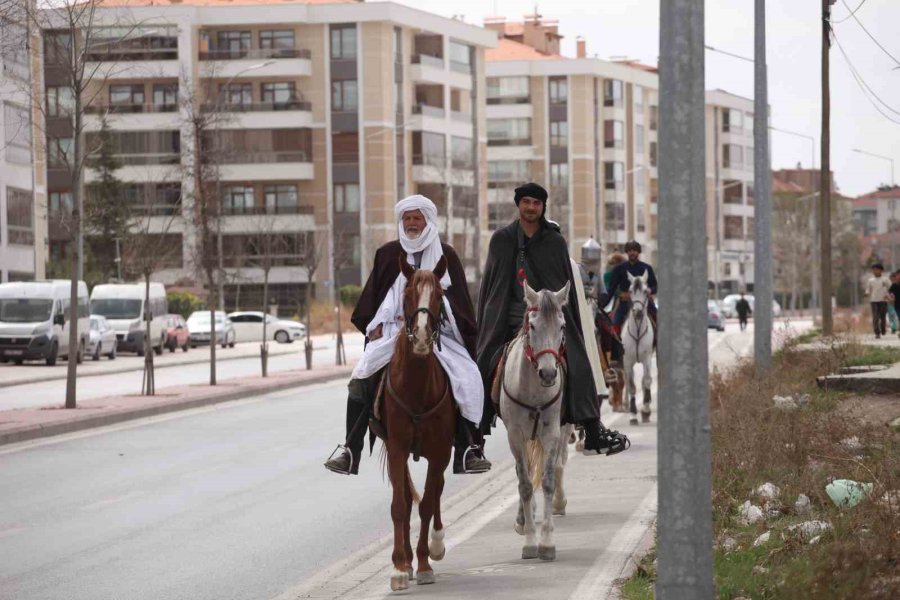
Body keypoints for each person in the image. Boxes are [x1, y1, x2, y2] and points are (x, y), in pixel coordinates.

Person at [324, 195, 491, 476]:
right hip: (393, 331)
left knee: (468, 375)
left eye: (417, 218)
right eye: (407, 218)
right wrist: (374, 324)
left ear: (428, 220)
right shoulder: (388, 254)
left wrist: (437, 317)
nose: (412, 223)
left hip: (440, 333)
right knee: (361, 377)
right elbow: (374, 299)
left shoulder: (446, 255)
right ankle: (350, 449)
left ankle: (468, 449)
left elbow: (460, 303)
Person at [476, 182, 629, 456]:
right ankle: (475, 438)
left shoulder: (554, 241)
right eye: (526, 202)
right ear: (519, 205)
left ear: (543, 207)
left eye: (536, 203)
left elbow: (562, 284)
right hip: (509, 316)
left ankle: (592, 430)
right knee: (483, 360)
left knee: (579, 359)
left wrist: (552, 312)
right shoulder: (501, 239)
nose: (531, 207)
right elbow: (492, 286)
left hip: (549, 315)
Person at [607, 241, 658, 331]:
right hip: (625, 304)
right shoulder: (619, 268)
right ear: (627, 252)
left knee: (658, 322)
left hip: (644, 303)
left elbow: (655, 287)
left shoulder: (647, 268)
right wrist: (602, 302)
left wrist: (650, 290)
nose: (632, 253)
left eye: (634, 250)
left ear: (639, 252)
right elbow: (611, 289)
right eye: (630, 250)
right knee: (614, 325)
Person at [864, 262, 891, 339]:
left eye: (876, 270)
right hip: (873, 301)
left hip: (883, 301)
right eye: (873, 270)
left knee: (882, 316)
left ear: (881, 270)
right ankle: (877, 332)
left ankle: (883, 329)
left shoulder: (885, 280)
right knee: (875, 317)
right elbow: (868, 289)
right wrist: (866, 293)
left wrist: (889, 295)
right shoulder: (870, 280)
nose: (875, 271)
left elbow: (891, 288)